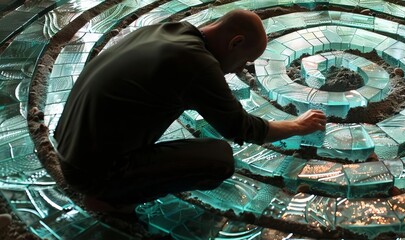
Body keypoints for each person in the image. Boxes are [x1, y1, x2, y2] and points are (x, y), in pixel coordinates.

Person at [53, 9, 326, 214]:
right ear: (235, 42)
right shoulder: (198, 64)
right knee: (218, 160)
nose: (240, 70)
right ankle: (110, 198)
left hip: (67, 142)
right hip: (92, 172)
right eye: (244, 60)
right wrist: (299, 126)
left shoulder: (169, 30)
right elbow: (241, 128)